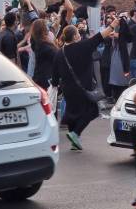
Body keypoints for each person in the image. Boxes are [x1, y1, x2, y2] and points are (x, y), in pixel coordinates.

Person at [51, 18, 120, 151]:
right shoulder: (83, 46)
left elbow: (55, 76)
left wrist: (55, 85)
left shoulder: (60, 53)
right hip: (83, 89)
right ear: (76, 36)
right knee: (93, 111)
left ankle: (75, 143)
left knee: (72, 113)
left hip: (67, 89)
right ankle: (75, 134)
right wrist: (113, 25)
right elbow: (100, 36)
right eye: (78, 33)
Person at [30, 19, 58, 90]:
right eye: (46, 27)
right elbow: (57, 57)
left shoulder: (37, 42)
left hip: (40, 78)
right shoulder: (45, 46)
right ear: (43, 30)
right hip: (46, 80)